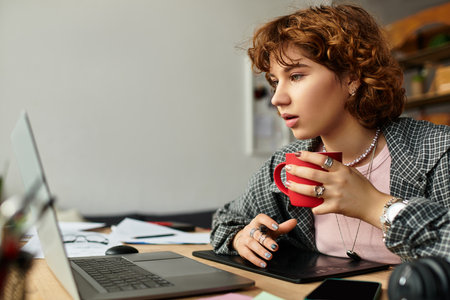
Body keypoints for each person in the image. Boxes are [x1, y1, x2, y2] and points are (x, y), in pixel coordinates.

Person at [210, 4, 450, 268]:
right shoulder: (285, 165)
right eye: (275, 81)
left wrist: (376, 206)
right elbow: (225, 220)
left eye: (296, 75)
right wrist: (242, 238)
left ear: (352, 78)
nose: (277, 98)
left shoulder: (437, 151)